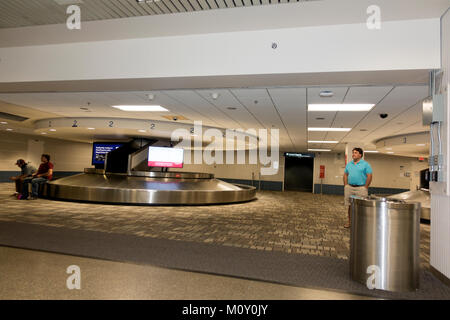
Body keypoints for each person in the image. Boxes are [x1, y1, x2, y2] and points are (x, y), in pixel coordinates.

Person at [343, 148, 373, 228]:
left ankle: (361, 223)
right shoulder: (349, 164)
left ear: (360, 155)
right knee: (350, 206)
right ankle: (349, 222)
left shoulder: (366, 164)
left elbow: (369, 176)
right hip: (350, 187)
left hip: (361, 188)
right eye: (353, 152)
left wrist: (365, 187)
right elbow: (345, 174)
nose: (353, 154)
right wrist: (346, 184)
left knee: (362, 206)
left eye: (355, 153)